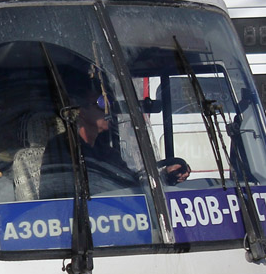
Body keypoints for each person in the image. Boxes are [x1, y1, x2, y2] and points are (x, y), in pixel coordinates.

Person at [40, 84, 189, 200]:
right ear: (81, 111)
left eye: (109, 106)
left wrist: (166, 175)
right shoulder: (62, 147)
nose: (108, 112)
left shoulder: (106, 152)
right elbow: (57, 193)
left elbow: (131, 182)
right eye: (100, 105)